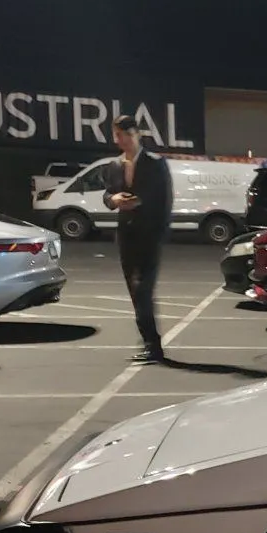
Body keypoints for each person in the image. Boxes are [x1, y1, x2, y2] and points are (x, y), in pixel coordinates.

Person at [103, 115, 172, 363]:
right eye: (119, 135)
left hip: (149, 237)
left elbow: (164, 200)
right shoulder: (115, 165)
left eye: (127, 135)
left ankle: (153, 346)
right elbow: (108, 194)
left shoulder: (155, 163)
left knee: (143, 290)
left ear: (137, 135)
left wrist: (141, 203)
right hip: (126, 237)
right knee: (134, 291)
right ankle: (149, 342)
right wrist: (114, 200)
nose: (123, 140)